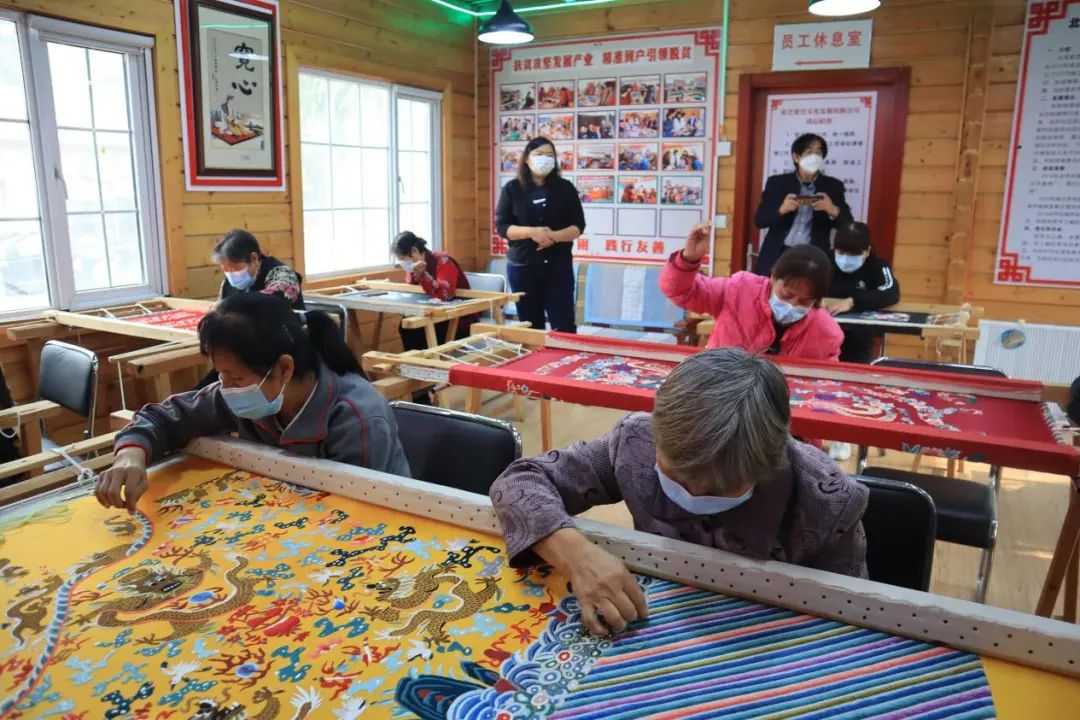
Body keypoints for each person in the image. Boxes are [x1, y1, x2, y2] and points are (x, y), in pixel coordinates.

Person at [489, 348, 869, 636]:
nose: (691, 493)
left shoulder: (827, 501)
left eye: (717, 489)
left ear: (769, 466)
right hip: (655, 615)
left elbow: (852, 615)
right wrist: (578, 556)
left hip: (766, 641)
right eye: (674, 475)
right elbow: (521, 480)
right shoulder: (635, 442)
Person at [96, 293, 410, 513]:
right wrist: (130, 457)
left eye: (234, 376)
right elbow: (165, 417)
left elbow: (355, 512)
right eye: (220, 374)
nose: (225, 387)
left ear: (284, 368)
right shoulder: (245, 393)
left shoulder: (356, 418)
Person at [660, 223, 844, 361]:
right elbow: (681, 292)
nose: (792, 306)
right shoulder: (739, 289)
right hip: (720, 387)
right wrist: (688, 259)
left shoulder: (827, 333)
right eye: (786, 295)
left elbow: (822, 385)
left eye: (804, 302)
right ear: (773, 277)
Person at [495, 137, 585, 333]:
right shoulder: (512, 189)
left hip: (558, 266)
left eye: (550, 155)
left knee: (564, 325)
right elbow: (502, 227)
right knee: (530, 327)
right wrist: (532, 232)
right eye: (539, 154)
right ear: (527, 159)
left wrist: (552, 236)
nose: (545, 159)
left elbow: (578, 226)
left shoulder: (565, 188)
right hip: (523, 267)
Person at [754, 133, 852, 276]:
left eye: (818, 153)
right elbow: (760, 220)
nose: (814, 157)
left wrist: (832, 210)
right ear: (796, 157)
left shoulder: (833, 186)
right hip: (778, 254)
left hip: (813, 257)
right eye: (809, 152)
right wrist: (782, 210)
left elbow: (849, 226)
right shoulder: (777, 183)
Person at [826, 221, 901, 364]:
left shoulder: (878, 266)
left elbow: (891, 291)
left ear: (867, 251)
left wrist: (852, 301)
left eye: (853, 254)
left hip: (859, 338)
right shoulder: (824, 261)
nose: (845, 259)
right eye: (840, 253)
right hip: (824, 332)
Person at [392, 230, 480, 351]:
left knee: (422, 329)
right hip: (433, 313)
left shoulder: (444, 261)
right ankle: (418, 361)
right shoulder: (414, 268)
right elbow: (413, 291)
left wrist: (423, 275)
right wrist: (416, 274)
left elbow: (445, 294)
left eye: (404, 260)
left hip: (457, 316)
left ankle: (430, 360)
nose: (404, 264)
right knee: (406, 326)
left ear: (414, 251)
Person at [213, 229, 304, 309]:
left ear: (254, 258)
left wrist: (231, 305)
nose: (231, 274)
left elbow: (274, 302)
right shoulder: (228, 282)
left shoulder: (283, 274)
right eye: (226, 270)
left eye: (235, 268)